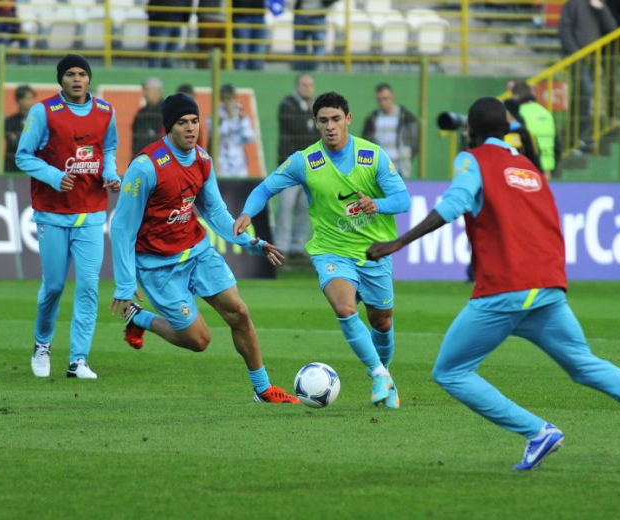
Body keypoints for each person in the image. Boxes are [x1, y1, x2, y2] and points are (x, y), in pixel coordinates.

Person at [366, 97, 620, 473]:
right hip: (546, 287)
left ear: (470, 132)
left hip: (505, 289)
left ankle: (537, 432)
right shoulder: (527, 165)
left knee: (451, 372)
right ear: (507, 129)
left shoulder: (471, 159)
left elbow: (455, 202)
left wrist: (398, 242)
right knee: (586, 365)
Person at [109, 93, 299, 404]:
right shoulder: (145, 167)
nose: (190, 128)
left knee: (239, 312)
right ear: (168, 127)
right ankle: (138, 317)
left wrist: (252, 242)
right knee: (199, 340)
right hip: (159, 265)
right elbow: (122, 227)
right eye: (182, 122)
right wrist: (126, 282)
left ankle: (263, 389)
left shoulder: (202, 160)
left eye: (194, 121)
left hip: (197, 251)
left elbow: (216, 214)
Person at [234, 92, 411, 408]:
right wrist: (248, 212)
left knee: (382, 321)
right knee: (345, 308)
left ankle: (387, 374)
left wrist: (377, 204)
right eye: (323, 121)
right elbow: (265, 188)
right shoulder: (305, 161)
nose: (330, 126)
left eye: (336, 119)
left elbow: (403, 199)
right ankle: (377, 374)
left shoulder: (373, 156)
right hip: (331, 251)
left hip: (373, 252)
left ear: (348, 120)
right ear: (315, 123)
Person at [16, 54, 121, 379]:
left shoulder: (105, 111)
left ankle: (78, 360)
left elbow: (109, 148)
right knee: (54, 286)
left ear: (89, 79)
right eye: (70, 74)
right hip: (52, 213)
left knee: (89, 285)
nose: (77, 79)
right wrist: (52, 175)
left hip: (91, 212)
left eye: (82, 74)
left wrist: (111, 173)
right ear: (61, 79)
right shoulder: (44, 112)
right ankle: (42, 344)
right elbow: (23, 155)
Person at [559, 0, 617, 149]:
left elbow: (612, 28)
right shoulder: (573, 4)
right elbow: (565, 29)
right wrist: (575, 54)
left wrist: (602, 9)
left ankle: (576, 134)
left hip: (592, 58)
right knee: (585, 90)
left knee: (581, 95)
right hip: (576, 58)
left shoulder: (599, 5)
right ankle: (580, 135)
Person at [273, 73, 317, 257]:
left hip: (310, 167)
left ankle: (298, 247)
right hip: (289, 166)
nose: (307, 88)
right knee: (285, 207)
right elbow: (298, 127)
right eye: (304, 84)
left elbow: (318, 134)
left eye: (310, 85)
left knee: (305, 209)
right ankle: (280, 247)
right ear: (297, 86)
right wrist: (309, 117)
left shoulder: (315, 107)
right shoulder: (288, 104)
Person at [361, 83, 420, 180]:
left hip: (400, 165)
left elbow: (414, 141)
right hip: (379, 166)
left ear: (392, 97)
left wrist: (407, 156)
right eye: (379, 99)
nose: (382, 102)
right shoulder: (372, 119)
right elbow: (366, 142)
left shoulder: (406, 117)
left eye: (385, 98)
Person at [510, 81, 558, 177]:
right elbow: (557, 144)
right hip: (547, 167)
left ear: (516, 95)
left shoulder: (519, 113)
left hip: (527, 167)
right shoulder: (546, 113)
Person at [211, 84, 255, 178]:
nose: (230, 101)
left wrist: (242, 122)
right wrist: (227, 121)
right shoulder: (216, 116)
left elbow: (250, 138)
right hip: (222, 163)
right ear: (222, 99)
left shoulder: (241, 115)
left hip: (240, 164)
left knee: (242, 191)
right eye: (226, 98)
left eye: (232, 98)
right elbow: (214, 137)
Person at [147, 0, 193, 69]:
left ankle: (165, 74)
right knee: (158, 55)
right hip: (162, 24)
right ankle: (154, 75)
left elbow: (188, 6)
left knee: (171, 57)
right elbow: (150, 7)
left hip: (177, 23)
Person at [292, 0, 333, 71]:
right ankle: (300, 72)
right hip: (301, 14)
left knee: (319, 47)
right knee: (300, 47)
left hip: (319, 15)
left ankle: (315, 71)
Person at [5, 85, 37, 173]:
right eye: (28, 98)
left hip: (33, 168)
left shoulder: (40, 121)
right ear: (19, 100)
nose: (31, 102)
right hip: (13, 168)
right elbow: (13, 143)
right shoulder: (10, 121)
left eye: (32, 98)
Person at [131, 77, 164, 159]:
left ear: (157, 91)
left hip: (160, 158)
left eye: (147, 90)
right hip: (140, 157)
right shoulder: (141, 113)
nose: (144, 94)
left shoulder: (166, 112)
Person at [233, 0, 267, 70]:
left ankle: (257, 78)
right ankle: (240, 78)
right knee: (242, 53)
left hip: (258, 14)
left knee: (258, 55)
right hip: (242, 15)